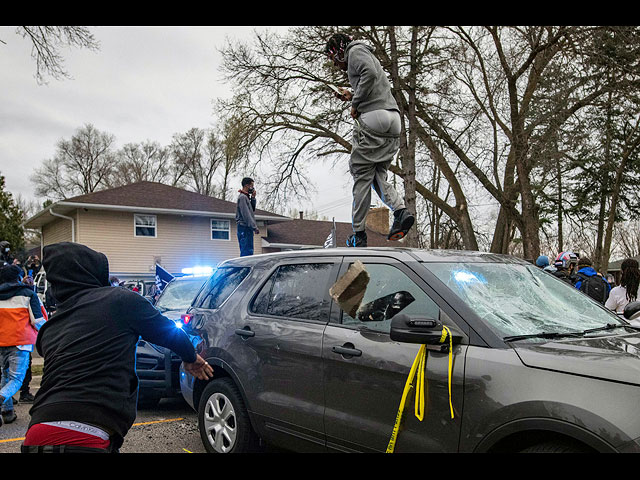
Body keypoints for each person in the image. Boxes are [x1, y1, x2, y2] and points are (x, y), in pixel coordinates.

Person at [22, 242, 213, 453]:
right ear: (92, 272)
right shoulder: (120, 300)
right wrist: (190, 356)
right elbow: (168, 331)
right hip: (88, 434)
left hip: (36, 433)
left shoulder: (52, 326)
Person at [324, 33, 414, 247]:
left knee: (361, 173)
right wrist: (351, 94)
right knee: (377, 175)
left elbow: (369, 73)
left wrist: (355, 103)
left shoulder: (354, 51)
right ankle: (401, 212)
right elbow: (371, 81)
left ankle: (359, 233)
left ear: (339, 51)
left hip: (374, 118)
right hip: (392, 120)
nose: (337, 66)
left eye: (335, 60)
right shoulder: (364, 53)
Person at [0, 264, 47, 428]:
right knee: (16, 380)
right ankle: (1, 400)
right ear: (19, 278)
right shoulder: (28, 294)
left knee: (4, 376)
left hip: (1, 341)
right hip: (20, 342)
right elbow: (38, 321)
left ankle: (7, 413)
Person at [236, 177, 259, 257]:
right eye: (251, 186)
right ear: (246, 186)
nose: (252, 188)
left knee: (249, 250)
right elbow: (246, 215)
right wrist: (254, 227)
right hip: (244, 228)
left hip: (247, 228)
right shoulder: (242, 197)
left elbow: (251, 210)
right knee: (246, 252)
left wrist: (253, 198)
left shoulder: (246, 197)